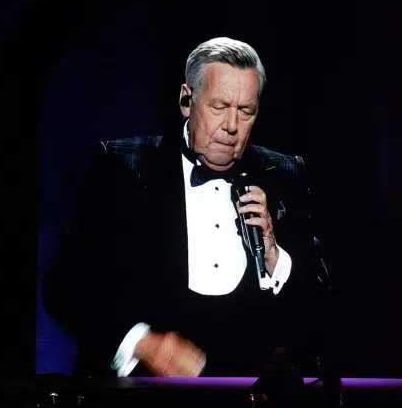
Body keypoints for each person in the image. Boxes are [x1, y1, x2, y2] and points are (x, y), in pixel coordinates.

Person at [43, 38, 330, 378]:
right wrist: (143, 344)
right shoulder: (124, 167)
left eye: (245, 111)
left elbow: (322, 308)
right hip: (140, 400)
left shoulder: (283, 175)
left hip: (247, 401)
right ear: (186, 100)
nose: (232, 126)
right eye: (219, 106)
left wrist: (275, 256)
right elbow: (65, 287)